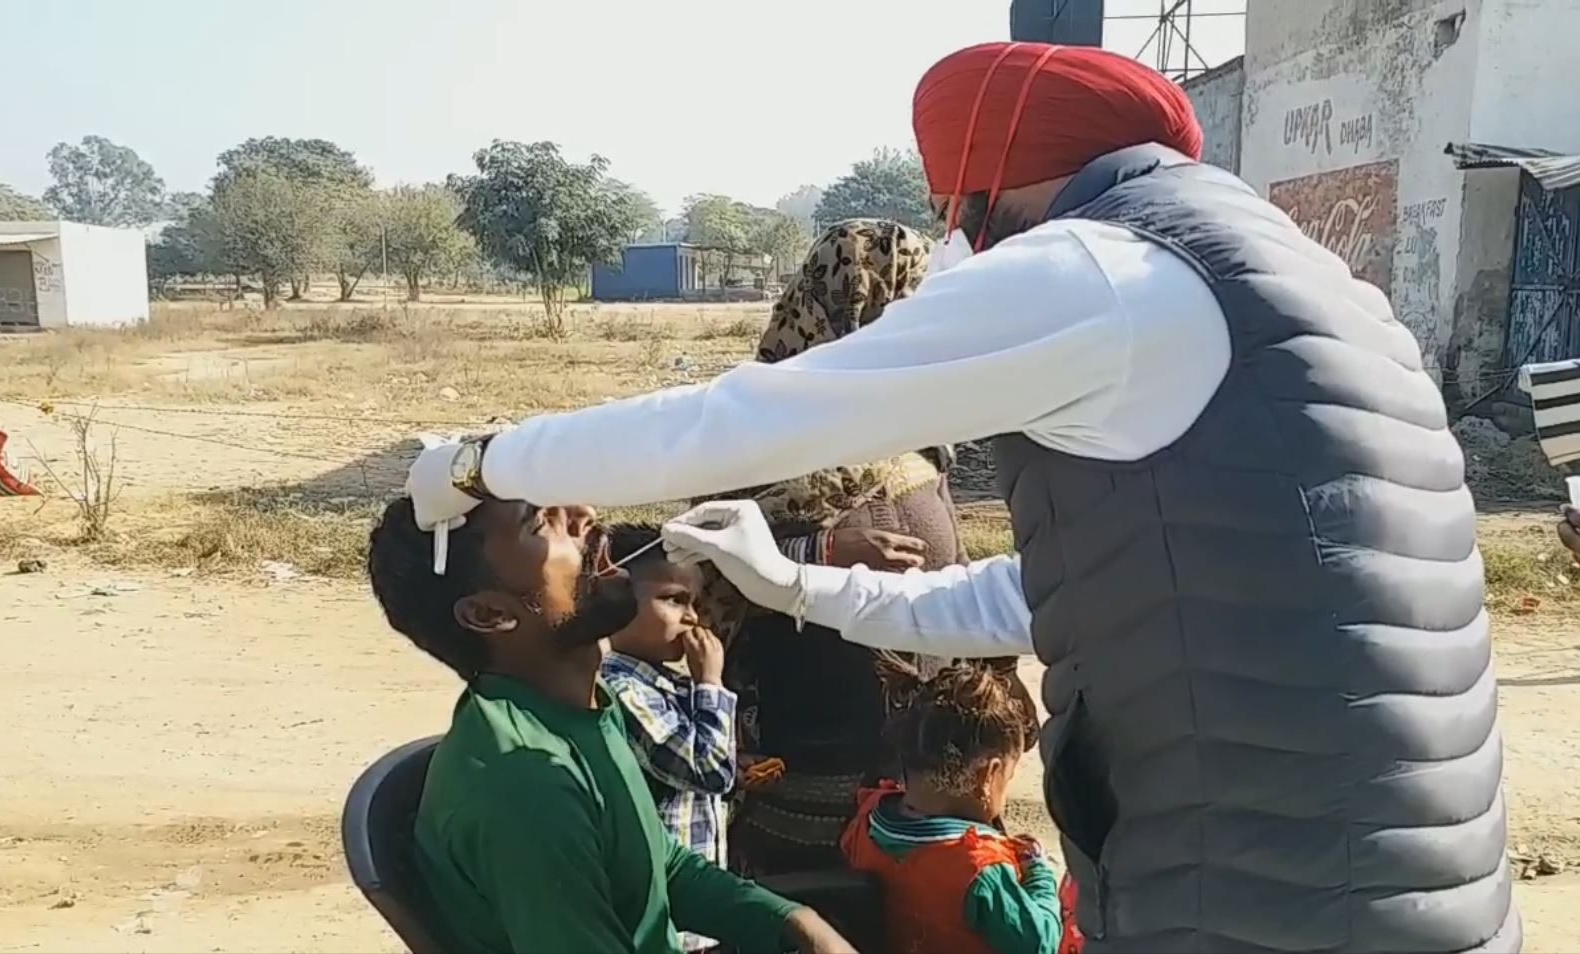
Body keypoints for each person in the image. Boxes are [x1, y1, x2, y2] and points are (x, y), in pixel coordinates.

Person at [406, 40, 1517, 953]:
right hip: (1404, 870)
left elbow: (742, 419)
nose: (953, 244)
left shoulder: (1097, 269)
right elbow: (1078, 594)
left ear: (983, 188)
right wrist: (796, 581)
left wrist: (485, 464)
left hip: (1272, 890)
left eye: (953, 211)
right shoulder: (1316, 291)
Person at [365, 498, 853, 954]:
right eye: (540, 525)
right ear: (491, 614)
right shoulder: (525, 784)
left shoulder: (582, 708)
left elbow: (659, 867)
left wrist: (798, 923)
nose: (584, 515)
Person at [692, 219, 1028, 877]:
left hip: (929, 769)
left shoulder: (920, 432)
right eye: (909, 308)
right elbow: (698, 571)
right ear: (857, 307)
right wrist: (822, 550)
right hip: (805, 762)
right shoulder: (755, 431)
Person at [840, 661, 1061, 954]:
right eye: (1007, 778)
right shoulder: (980, 868)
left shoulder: (869, 816)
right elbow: (1039, 944)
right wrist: (1038, 873)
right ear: (988, 775)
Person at [599, 526, 737, 951]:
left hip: (696, 920)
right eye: (674, 599)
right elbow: (708, 769)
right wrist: (710, 682)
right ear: (616, 600)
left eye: (695, 603)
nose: (693, 617)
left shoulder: (662, 686)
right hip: (667, 926)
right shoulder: (620, 689)